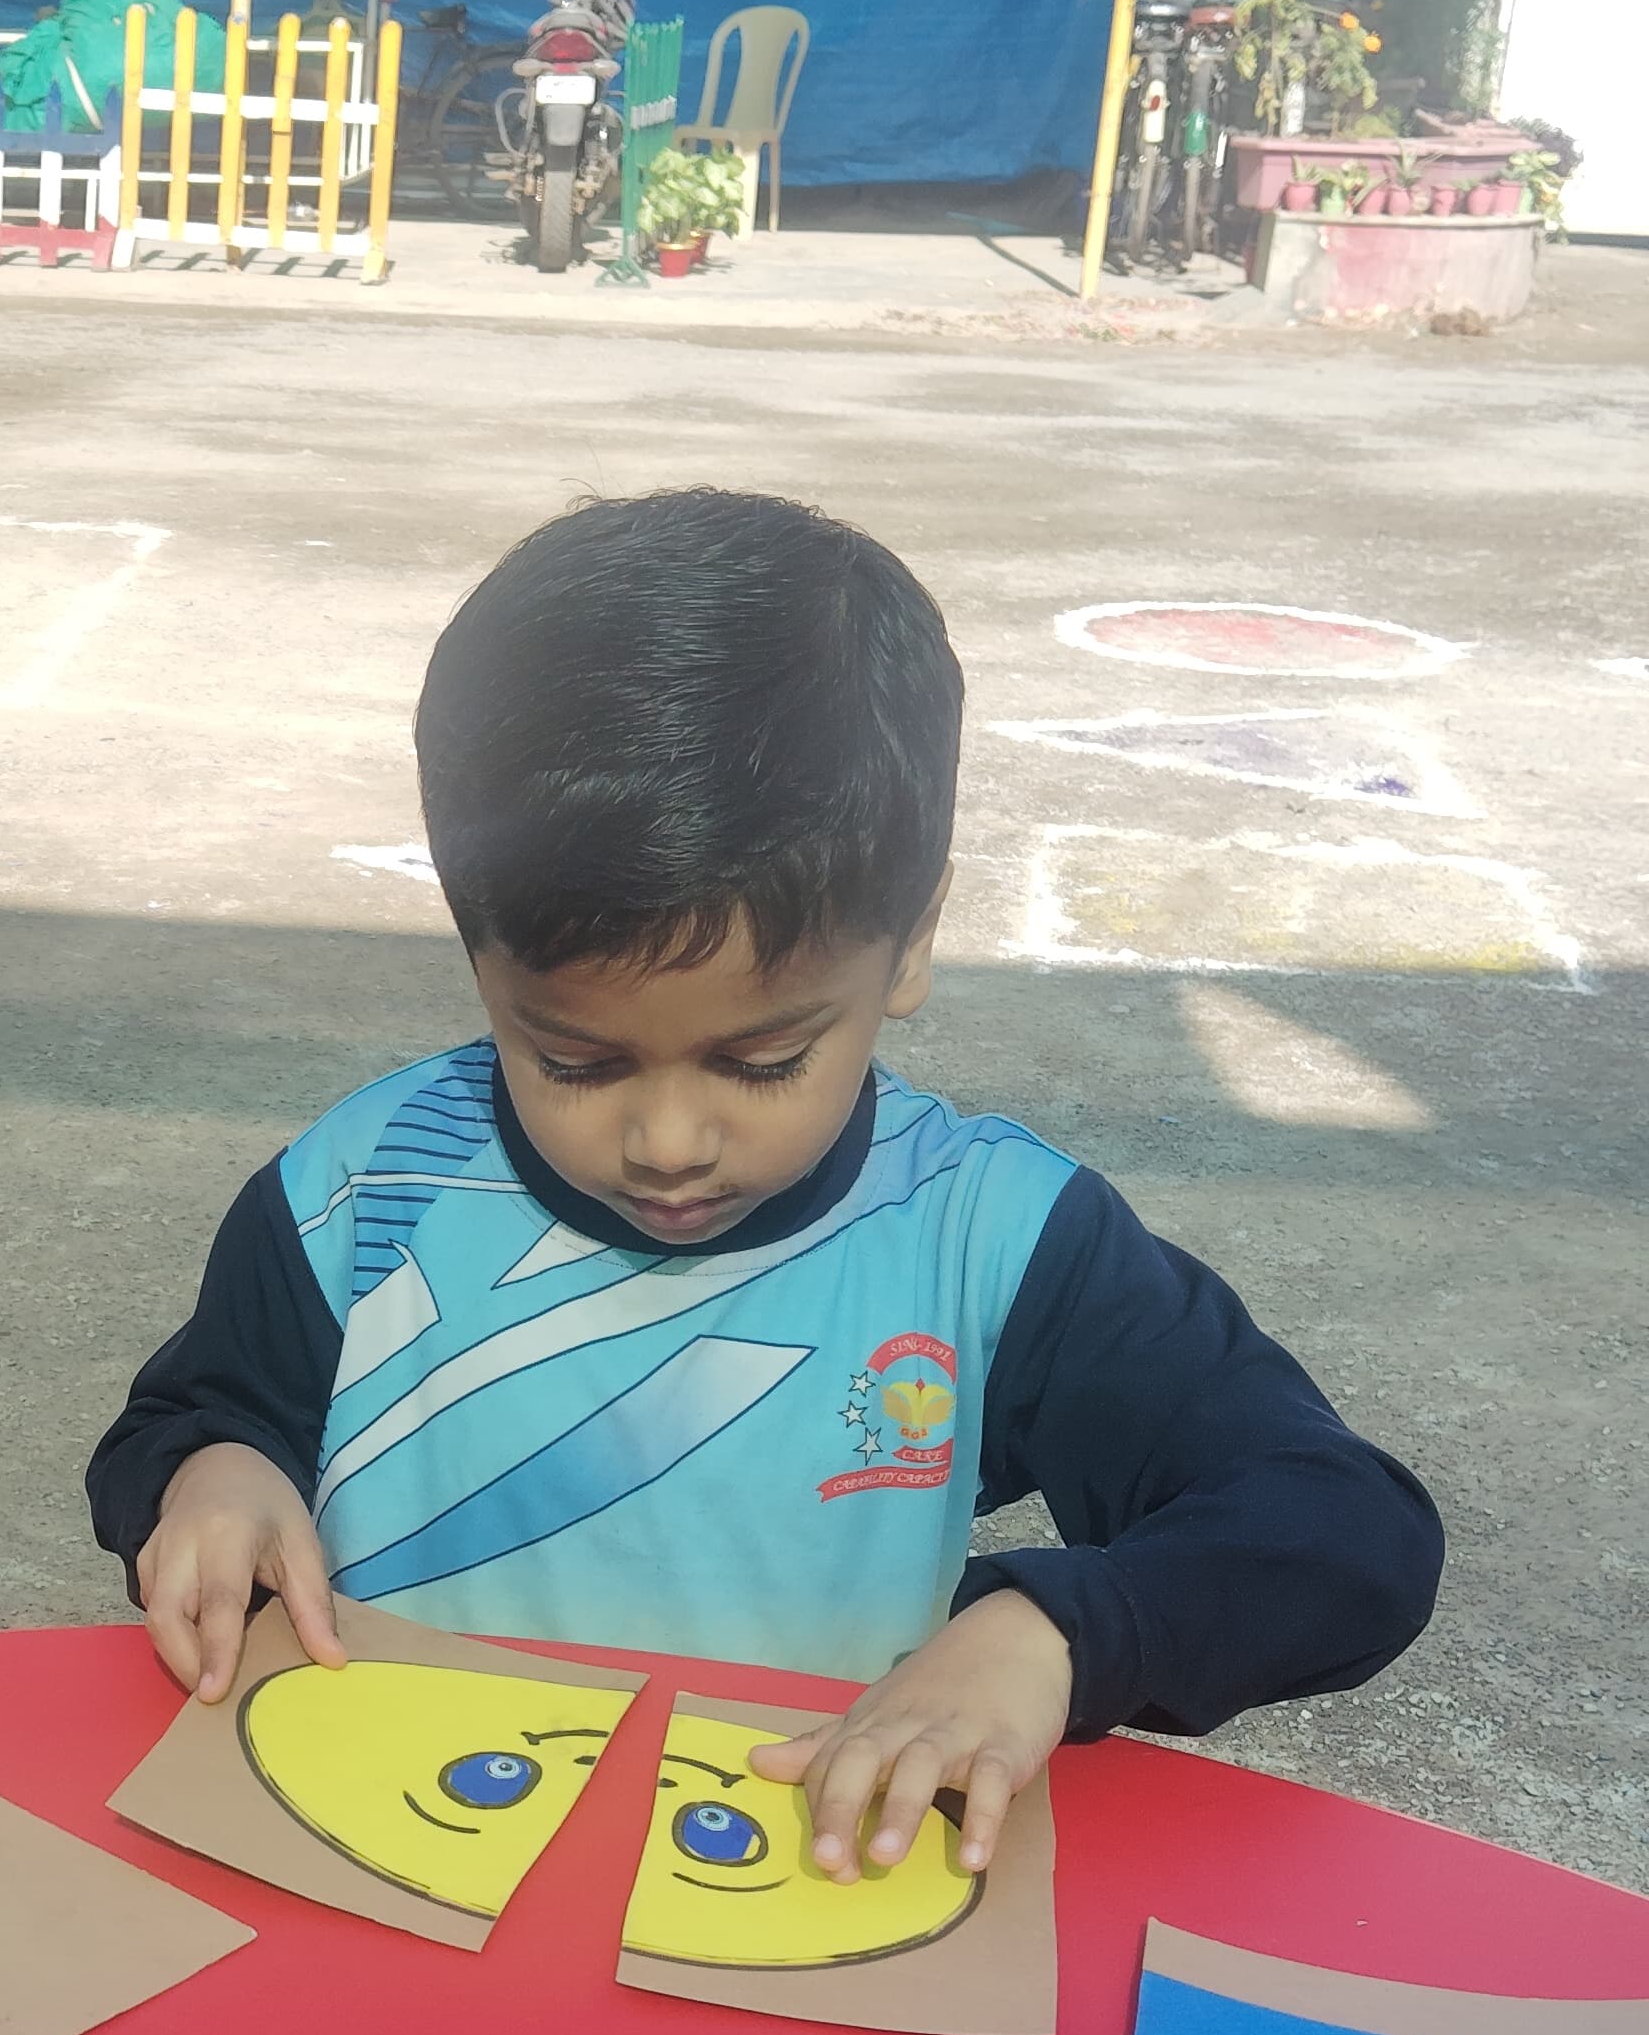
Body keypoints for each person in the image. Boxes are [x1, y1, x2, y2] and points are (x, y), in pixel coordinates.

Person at [87, 489, 1441, 1887]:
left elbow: (1347, 1534)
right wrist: (217, 1476)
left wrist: (1050, 1633)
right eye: (574, 1059)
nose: (670, 1140)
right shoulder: (364, 1193)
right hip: (384, 1865)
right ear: (478, 952)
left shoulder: (986, 1242)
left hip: (783, 1905)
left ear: (910, 943)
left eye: (763, 1059)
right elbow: (195, 1415)